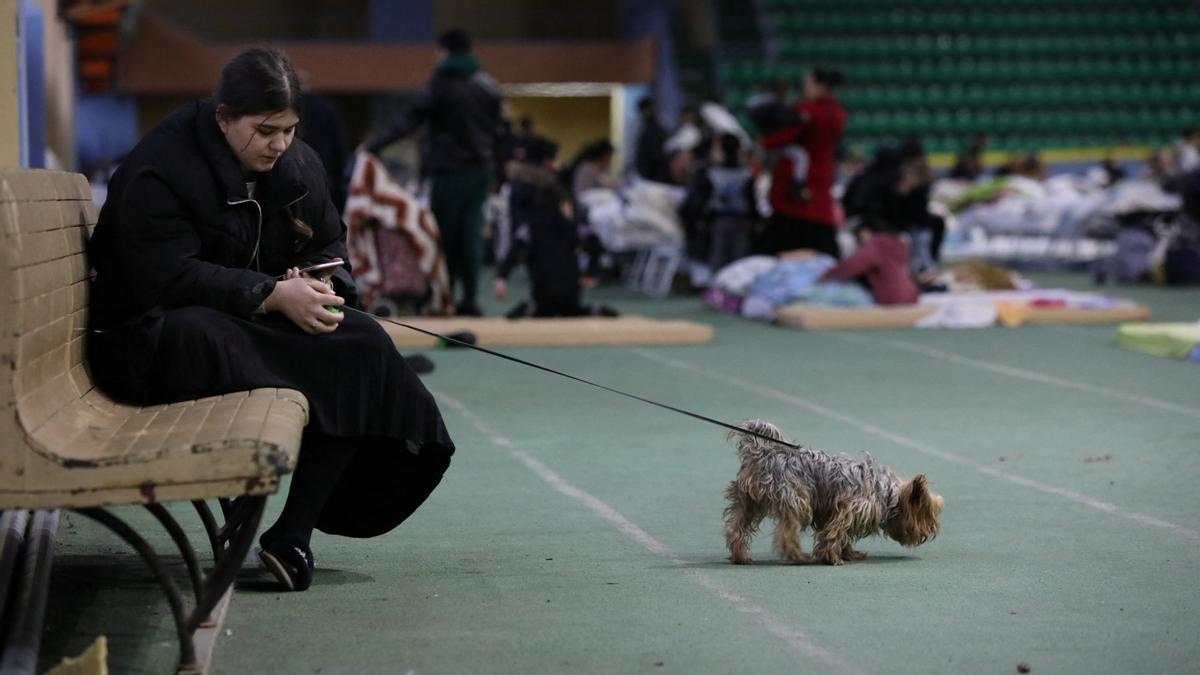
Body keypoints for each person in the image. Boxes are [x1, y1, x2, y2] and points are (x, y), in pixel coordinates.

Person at [86, 48, 455, 592]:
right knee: (212, 332)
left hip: (229, 323)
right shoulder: (160, 167)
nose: (279, 144)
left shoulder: (296, 163)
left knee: (358, 341)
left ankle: (292, 535)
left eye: (288, 129)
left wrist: (323, 285)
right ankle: (283, 530)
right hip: (144, 339)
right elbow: (163, 278)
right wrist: (272, 295)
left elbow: (330, 242)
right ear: (223, 117)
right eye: (265, 131)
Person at [368, 29, 502, 317]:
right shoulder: (488, 86)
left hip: (448, 171)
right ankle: (471, 297)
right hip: (481, 171)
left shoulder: (442, 83)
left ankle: (446, 296)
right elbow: (498, 132)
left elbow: (411, 119)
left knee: (445, 236)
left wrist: (374, 145)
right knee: (471, 235)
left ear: (443, 51)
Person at [493, 137, 617, 318]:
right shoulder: (571, 224)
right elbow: (594, 242)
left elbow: (516, 246)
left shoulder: (531, 223)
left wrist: (501, 276)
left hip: (543, 284)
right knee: (568, 308)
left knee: (545, 305)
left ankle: (534, 308)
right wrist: (592, 271)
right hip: (568, 287)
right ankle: (587, 310)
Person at [757, 68, 847, 258]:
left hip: (797, 192)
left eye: (807, 84)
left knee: (775, 250)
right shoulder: (836, 113)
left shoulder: (808, 111)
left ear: (821, 86)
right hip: (817, 188)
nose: (803, 88)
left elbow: (778, 137)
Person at [680, 132, 758, 278]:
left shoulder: (711, 172)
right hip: (738, 220)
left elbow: (702, 199)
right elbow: (751, 200)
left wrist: (699, 217)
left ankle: (719, 285)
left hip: (720, 220)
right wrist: (755, 219)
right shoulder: (745, 173)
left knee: (719, 256)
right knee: (737, 257)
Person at [817, 220, 918, 305]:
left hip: (891, 298)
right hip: (910, 295)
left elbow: (853, 265)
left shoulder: (876, 244)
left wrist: (829, 274)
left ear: (866, 232)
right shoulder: (896, 244)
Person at [634, 96, 670, 183]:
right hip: (647, 171)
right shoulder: (646, 127)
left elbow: (656, 153)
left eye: (643, 110)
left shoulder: (656, 128)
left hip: (653, 172)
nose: (642, 113)